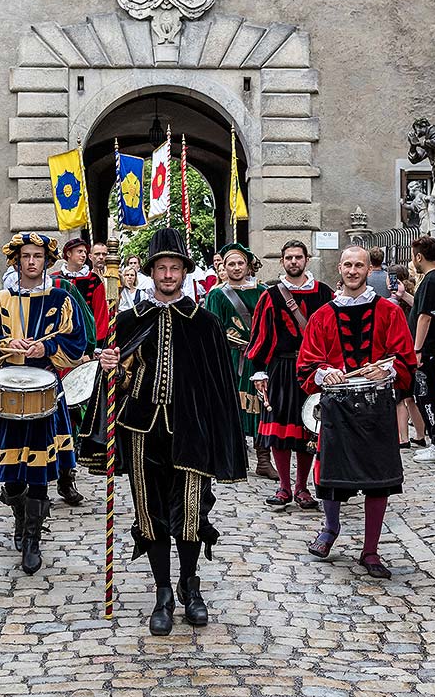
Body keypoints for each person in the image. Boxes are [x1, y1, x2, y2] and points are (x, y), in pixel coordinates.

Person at [80, 228, 247, 635]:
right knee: (150, 514)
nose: (168, 274)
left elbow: (219, 387)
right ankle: (162, 594)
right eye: (161, 267)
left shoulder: (204, 323)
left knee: (190, 514)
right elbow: (116, 383)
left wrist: (222, 437)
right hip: (141, 431)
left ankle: (192, 588)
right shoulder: (127, 320)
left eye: (175, 267)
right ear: (151, 272)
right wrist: (111, 368)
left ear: (184, 272)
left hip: (192, 432)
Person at [297, 246, 416, 579]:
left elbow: (405, 359)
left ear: (369, 269)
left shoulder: (389, 312)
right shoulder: (322, 315)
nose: (352, 270)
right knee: (333, 476)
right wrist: (324, 372)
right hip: (337, 406)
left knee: (379, 480)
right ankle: (329, 529)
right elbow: (306, 363)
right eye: (347, 265)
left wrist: (388, 371)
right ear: (339, 268)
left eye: (359, 265)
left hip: (376, 407)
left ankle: (371, 550)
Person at [0, 232, 88, 575]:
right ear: (17, 260)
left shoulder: (61, 299)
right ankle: (20, 518)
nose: (31, 261)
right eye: (25, 256)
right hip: (10, 387)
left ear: (46, 260)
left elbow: (76, 340)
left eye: (37, 256)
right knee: (10, 472)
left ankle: (34, 539)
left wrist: (46, 349)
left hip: (45, 387)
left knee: (39, 470)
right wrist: (9, 342)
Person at [248, 240, 333, 506]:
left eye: (298, 257)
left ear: (306, 259)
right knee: (281, 432)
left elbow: (332, 334)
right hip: (281, 369)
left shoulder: (323, 293)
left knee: (309, 429)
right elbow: (260, 336)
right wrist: (260, 371)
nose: (293, 262)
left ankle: (302, 488)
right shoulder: (271, 295)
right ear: (282, 261)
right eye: (288, 258)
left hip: (312, 371)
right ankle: (284, 488)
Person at [206, 242, 274, 477]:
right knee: (231, 407)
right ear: (224, 267)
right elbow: (212, 329)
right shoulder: (217, 294)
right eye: (231, 264)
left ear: (248, 265)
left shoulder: (263, 291)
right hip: (232, 357)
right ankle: (231, 458)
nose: (236, 267)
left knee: (263, 404)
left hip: (258, 357)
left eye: (240, 263)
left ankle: (264, 459)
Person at [408, 236, 435, 463]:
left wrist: (417, 350)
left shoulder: (429, 280)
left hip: (428, 350)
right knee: (429, 394)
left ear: (419, 256)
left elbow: (424, 317)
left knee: (426, 395)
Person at [388, 264, 426, 450]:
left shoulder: (399, 303)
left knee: (401, 398)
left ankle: (403, 438)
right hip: (411, 352)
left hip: (404, 353)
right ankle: (420, 435)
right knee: (410, 399)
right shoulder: (410, 298)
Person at [53, 238, 109, 346]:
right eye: (79, 251)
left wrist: (97, 344)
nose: (83, 255)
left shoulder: (94, 280)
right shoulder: (55, 278)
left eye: (85, 252)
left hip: (85, 337)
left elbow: (100, 313)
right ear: (69, 254)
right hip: (58, 337)